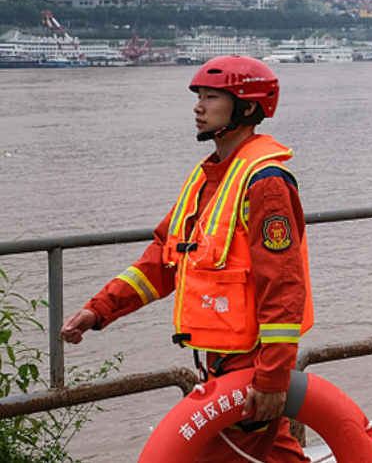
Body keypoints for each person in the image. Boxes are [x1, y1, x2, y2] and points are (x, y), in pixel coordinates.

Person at [60, 57, 313, 462]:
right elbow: (164, 260)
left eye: (211, 97)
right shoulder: (207, 178)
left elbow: (283, 286)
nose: (198, 107)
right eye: (198, 97)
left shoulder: (265, 183)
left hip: (250, 363)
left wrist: (272, 375)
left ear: (247, 108)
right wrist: (99, 310)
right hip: (219, 360)